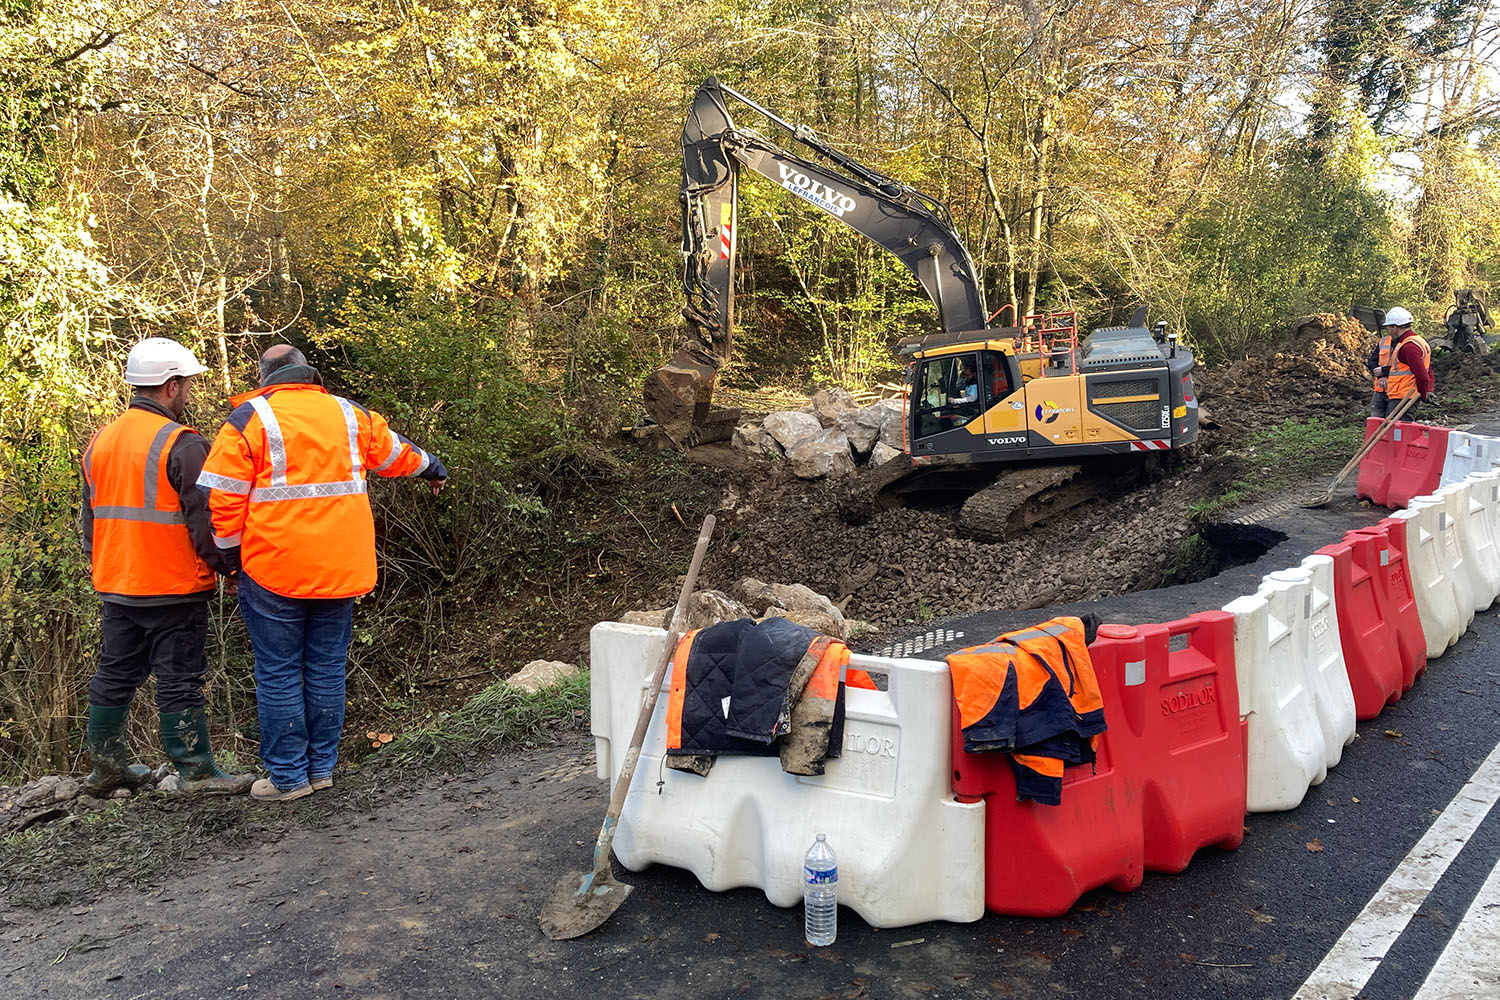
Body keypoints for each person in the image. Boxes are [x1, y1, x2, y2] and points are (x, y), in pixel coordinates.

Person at [198, 346, 448, 802]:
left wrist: (230, 561)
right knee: (327, 668)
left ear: (265, 377)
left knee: (278, 672)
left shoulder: (249, 420)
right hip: (339, 568)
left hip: (273, 568)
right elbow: (397, 454)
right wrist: (432, 467)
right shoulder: (350, 414)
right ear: (309, 373)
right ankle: (321, 771)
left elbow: (223, 500)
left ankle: (289, 779)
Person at [79, 338, 255, 796]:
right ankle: (195, 772)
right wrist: (230, 568)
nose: (188, 393)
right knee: (179, 680)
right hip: (172, 586)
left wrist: (107, 568)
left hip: (118, 583)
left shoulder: (101, 440)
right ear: (171, 385)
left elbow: (90, 521)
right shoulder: (182, 443)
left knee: (114, 675)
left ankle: (107, 769)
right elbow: (206, 521)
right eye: (187, 384)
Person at [1369, 306, 1435, 418]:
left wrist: (1424, 394)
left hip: (1403, 395)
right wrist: (1427, 390)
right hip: (1401, 394)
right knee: (1395, 427)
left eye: (1389, 328)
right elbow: (1427, 369)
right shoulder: (1417, 341)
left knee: (1399, 428)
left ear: (1395, 327)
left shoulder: (1409, 347)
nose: (1389, 332)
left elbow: (1422, 375)